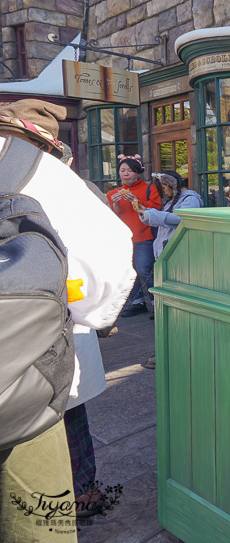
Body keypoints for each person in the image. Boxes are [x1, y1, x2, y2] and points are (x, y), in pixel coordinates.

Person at [0, 100, 134, 542]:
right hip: (22, 377)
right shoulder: (36, 169)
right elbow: (105, 272)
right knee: (35, 513)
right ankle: (83, 494)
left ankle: (85, 490)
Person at [136, 170, 204, 369]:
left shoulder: (189, 199)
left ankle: (176, 348)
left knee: (176, 307)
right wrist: (145, 214)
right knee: (168, 307)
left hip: (179, 258)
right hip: (168, 256)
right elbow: (164, 221)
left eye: (165, 187)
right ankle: (169, 347)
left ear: (174, 185)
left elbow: (183, 219)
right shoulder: (172, 200)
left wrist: (152, 214)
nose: (163, 191)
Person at [107, 155, 160, 318]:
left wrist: (137, 201)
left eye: (130, 171)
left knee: (145, 270)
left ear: (138, 172)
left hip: (144, 236)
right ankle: (136, 303)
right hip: (124, 239)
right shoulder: (112, 193)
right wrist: (115, 204)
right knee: (129, 272)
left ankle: (156, 303)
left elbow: (157, 208)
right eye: (122, 171)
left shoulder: (150, 189)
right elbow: (113, 215)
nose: (126, 174)